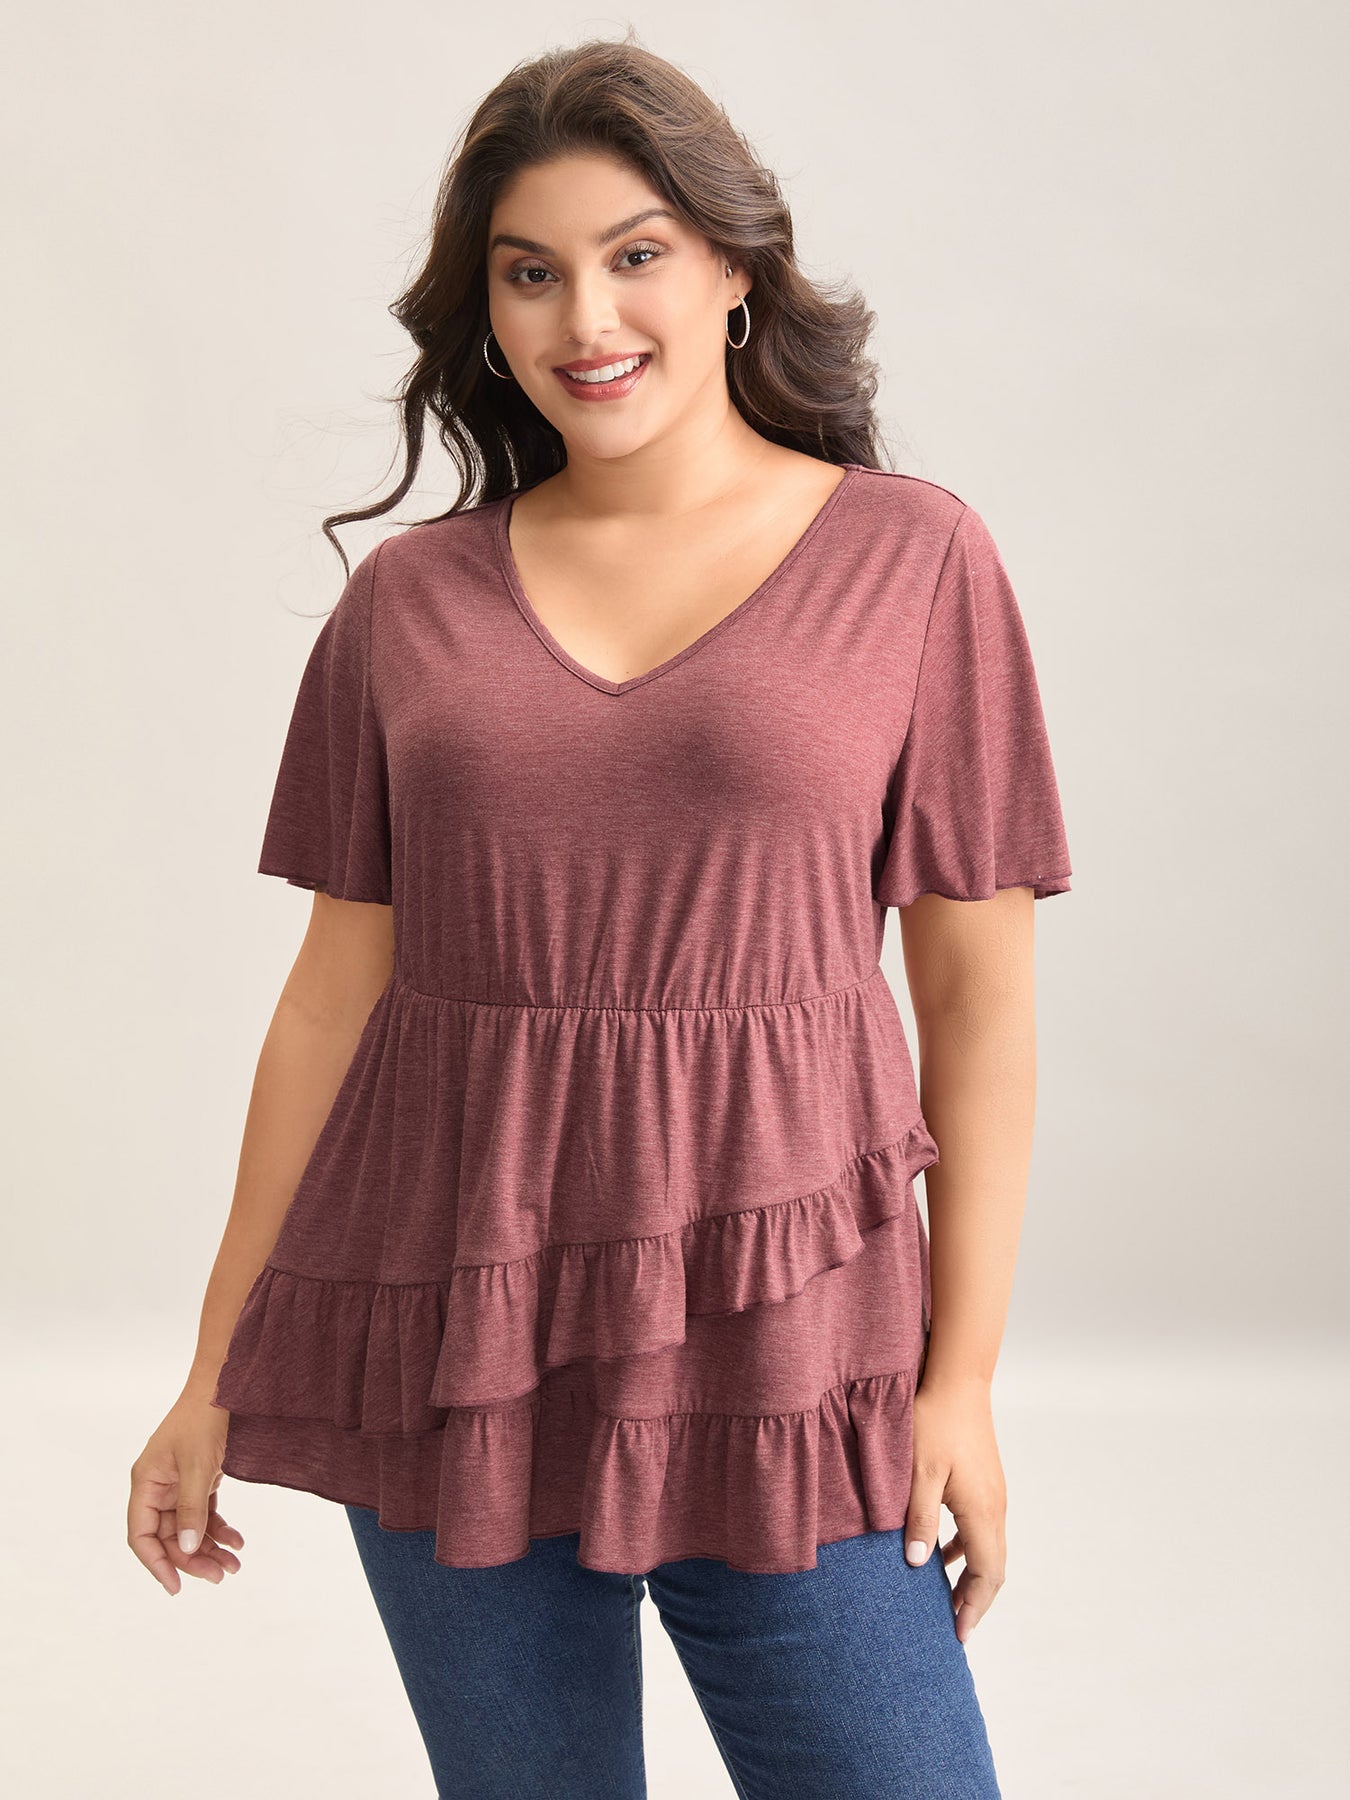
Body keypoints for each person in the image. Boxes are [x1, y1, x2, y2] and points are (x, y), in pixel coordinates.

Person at [128, 33, 1073, 1799]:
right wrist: (210, 1365)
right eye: (530, 272)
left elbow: (979, 1005)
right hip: (449, 1332)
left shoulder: (913, 559)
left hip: (790, 1346)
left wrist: (958, 1384)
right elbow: (333, 999)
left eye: (636, 253)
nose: (587, 316)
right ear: (485, 315)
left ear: (731, 270)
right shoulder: (406, 602)